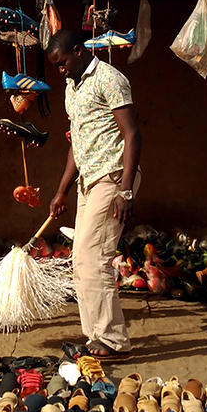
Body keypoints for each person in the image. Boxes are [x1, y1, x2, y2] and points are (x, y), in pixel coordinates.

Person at [46, 28, 141, 358]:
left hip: (113, 177)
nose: (61, 71)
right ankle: (96, 338)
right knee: (81, 260)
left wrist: (125, 191)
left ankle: (114, 341)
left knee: (95, 258)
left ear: (78, 50)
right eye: (57, 67)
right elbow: (78, 143)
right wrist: (62, 191)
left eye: (63, 63)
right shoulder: (72, 87)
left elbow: (132, 134)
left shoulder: (110, 79)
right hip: (89, 180)